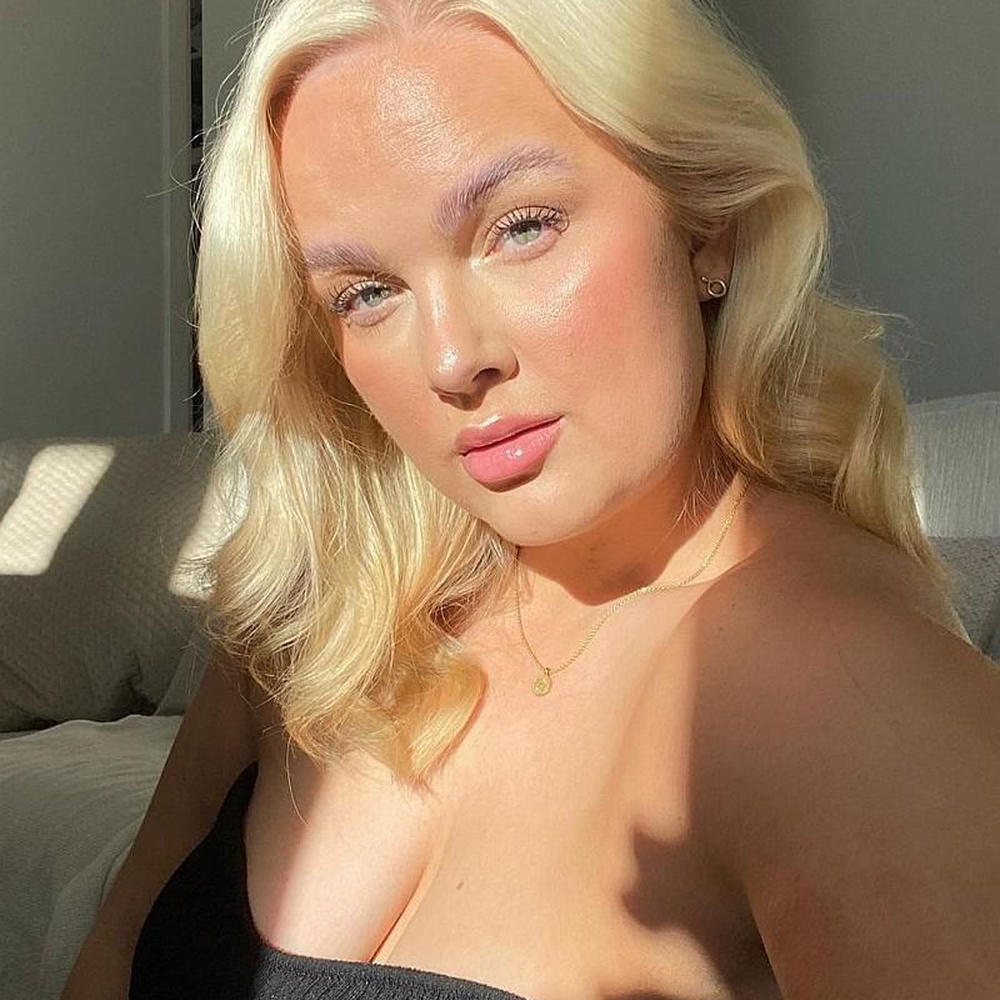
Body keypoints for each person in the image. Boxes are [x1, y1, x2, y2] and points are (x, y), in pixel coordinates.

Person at [62, 1, 1000, 998]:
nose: (451, 359)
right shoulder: (318, 624)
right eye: (365, 292)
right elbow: (110, 967)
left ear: (706, 224)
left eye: (521, 227)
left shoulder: (846, 698)